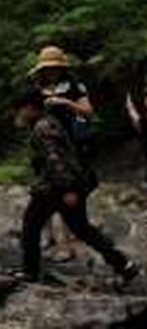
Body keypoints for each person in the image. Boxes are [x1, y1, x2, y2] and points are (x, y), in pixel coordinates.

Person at [13, 87, 139, 283]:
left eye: (20, 109)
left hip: (55, 188)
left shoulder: (42, 128)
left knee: (31, 225)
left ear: (30, 108)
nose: (19, 114)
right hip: (65, 185)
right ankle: (123, 264)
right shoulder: (49, 123)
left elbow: (56, 160)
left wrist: (68, 189)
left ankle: (30, 271)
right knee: (82, 229)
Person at [29, 46, 94, 260]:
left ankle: (71, 242)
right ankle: (50, 240)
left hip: (71, 147)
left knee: (69, 193)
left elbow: (88, 111)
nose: (51, 71)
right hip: (45, 148)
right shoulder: (36, 86)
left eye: (55, 68)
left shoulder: (74, 86)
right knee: (43, 192)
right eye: (48, 68)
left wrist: (66, 102)